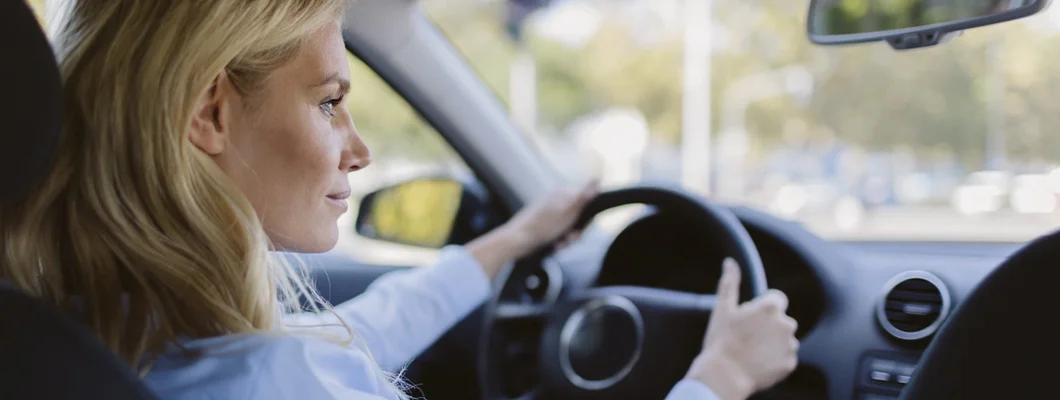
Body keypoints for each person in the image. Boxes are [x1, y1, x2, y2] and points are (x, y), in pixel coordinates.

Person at [0, 1, 798, 399]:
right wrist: (720, 375)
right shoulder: (280, 379)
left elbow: (357, 334)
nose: (358, 147)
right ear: (211, 112)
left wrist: (507, 242)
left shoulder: (77, 336)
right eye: (328, 102)